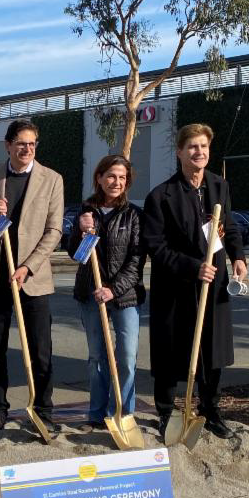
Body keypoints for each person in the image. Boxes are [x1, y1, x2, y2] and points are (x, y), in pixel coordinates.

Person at [142, 122, 247, 442]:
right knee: (171, 350)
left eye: (203, 146)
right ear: (179, 152)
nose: (198, 152)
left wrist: (238, 256)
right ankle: (166, 412)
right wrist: (192, 267)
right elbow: (155, 246)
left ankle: (211, 411)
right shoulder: (161, 195)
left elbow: (229, 225)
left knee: (212, 349)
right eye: (192, 147)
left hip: (213, 284)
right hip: (176, 286)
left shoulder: (219, 185)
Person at [0, 118, 65, 433]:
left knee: (40, 350)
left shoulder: (52, 179)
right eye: (21, 143)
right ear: (8, 145)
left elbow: (54, 231)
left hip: (33, 278)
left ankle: (43, 411)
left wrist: (28, 266)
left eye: (32, 143)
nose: (27, 149)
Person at [65, 154, 145, 433]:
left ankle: (122, 412)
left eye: (122, 177)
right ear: (99, 178)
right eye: (111, 176)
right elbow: (75, 254)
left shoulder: (134, 215)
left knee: (127, 357)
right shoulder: (86, 212)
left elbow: (136, 261)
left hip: (126, 296)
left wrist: (113, 289)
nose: (116, 182)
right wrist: (80, 231)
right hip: (90, 293)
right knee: (97, 357)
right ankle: (96, 414)